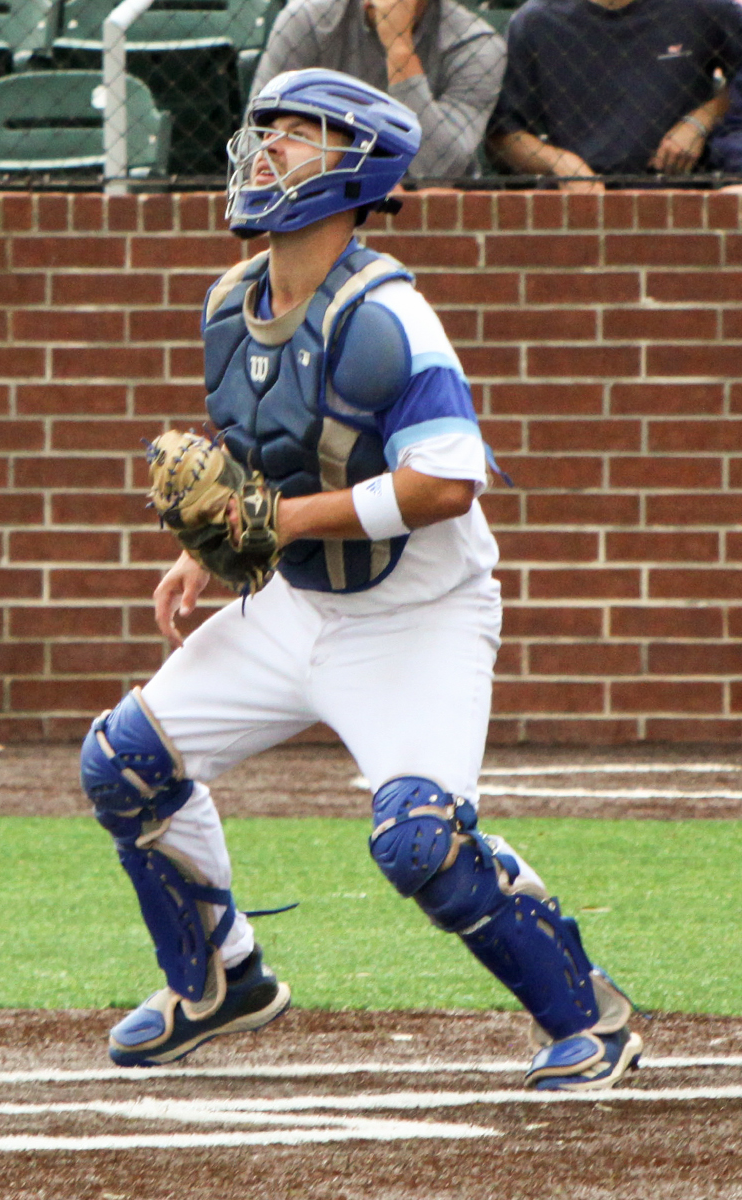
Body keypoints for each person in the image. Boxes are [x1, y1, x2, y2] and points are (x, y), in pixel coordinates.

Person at [79, 69, 640, 1092]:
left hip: (415, 618)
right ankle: (219, 981)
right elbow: (269, 452)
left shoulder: (390, 315)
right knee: (122, 766)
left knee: (420, 843)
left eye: (301, 137)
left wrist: (274, 523)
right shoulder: (231, 301)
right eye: (271, 132)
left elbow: (445, 483)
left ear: (358, 173)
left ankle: (584, 1014)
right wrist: (205, 549)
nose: (271, 150)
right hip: (294, 601)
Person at [488, 0, 742, 189]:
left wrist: (702, 120)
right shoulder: (535, 21)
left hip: (683, 192)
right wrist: (558, 163)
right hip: (578, 201)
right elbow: (503, 138)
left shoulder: (701, 8)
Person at [251, 0, 504, 177]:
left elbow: (440, 169)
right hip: (319, 193)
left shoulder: (476, 44)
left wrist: (399, 49)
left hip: (429, 212)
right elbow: (256, 138)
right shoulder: (306, 20)